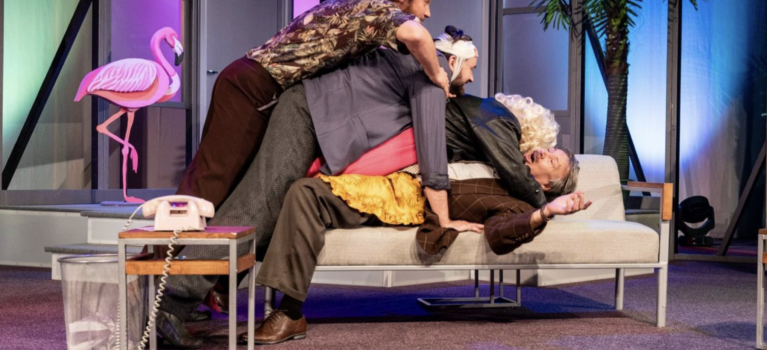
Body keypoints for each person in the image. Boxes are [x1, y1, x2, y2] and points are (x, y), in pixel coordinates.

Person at [155, 25, 474, 348]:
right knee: (255, 207)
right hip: (306, 115)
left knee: (260, 209)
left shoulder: (408, 62)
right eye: (471, 69)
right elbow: (432, 151)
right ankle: (171, 302)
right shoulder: (432, 77)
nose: (472, 78)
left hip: (306, 111)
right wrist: (444, 219)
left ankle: (187, 298)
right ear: (453, 62)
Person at [244, 95, 583, 345]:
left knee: (306, 192)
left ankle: (289, 312)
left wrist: (545, 212)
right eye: (549, 150)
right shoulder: (498, 157)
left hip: (405, 198)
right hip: (396, 174)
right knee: (301, 187)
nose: (543, 152)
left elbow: (500, 234)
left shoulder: (516, 204)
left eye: (552, 161)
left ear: (546, 186)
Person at [176, 0, 449, 209]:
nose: (428, 13)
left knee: (214, 173)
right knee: (213, 178)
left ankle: (176, 237)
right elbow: (417, 35)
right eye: (426, 2)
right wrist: (437, 74)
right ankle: (171, 241)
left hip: (244, 76)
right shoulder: (378, 9)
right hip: (255, 85)